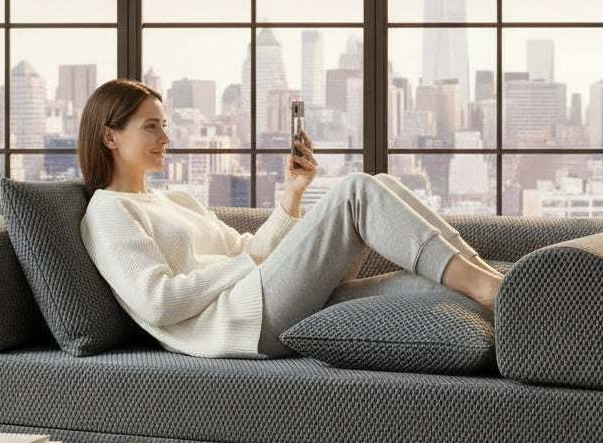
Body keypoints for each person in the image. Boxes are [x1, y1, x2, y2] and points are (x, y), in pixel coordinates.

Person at [78, 78, 503, 359]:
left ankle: (506, 292)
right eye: (151, 127)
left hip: (261, 295)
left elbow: (250, 250)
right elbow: (159, 302)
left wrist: (292, 194)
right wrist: (247, 266)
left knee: (426, 282)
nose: (165, 137)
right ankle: (490, 287)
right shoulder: (108, 212)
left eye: (164, 125)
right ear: (110, 135)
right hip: (241, 322)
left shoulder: (178, 199)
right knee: (357, 191)